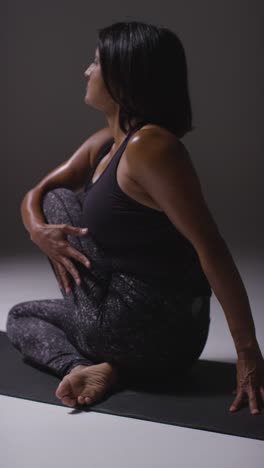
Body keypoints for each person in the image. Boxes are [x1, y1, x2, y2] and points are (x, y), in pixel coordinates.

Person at [6, 21, 264, 414]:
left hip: (154, 327)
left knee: (58, 210)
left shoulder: (151, 147)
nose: (86, 72)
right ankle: (104, 369)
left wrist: (247, 353)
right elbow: (33, 195)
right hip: (155, 341)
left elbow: (210, 246)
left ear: (124, 77)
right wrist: (37, 231)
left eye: (95, 63)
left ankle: (85, 364)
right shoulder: (105, 143)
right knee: (23, 314)